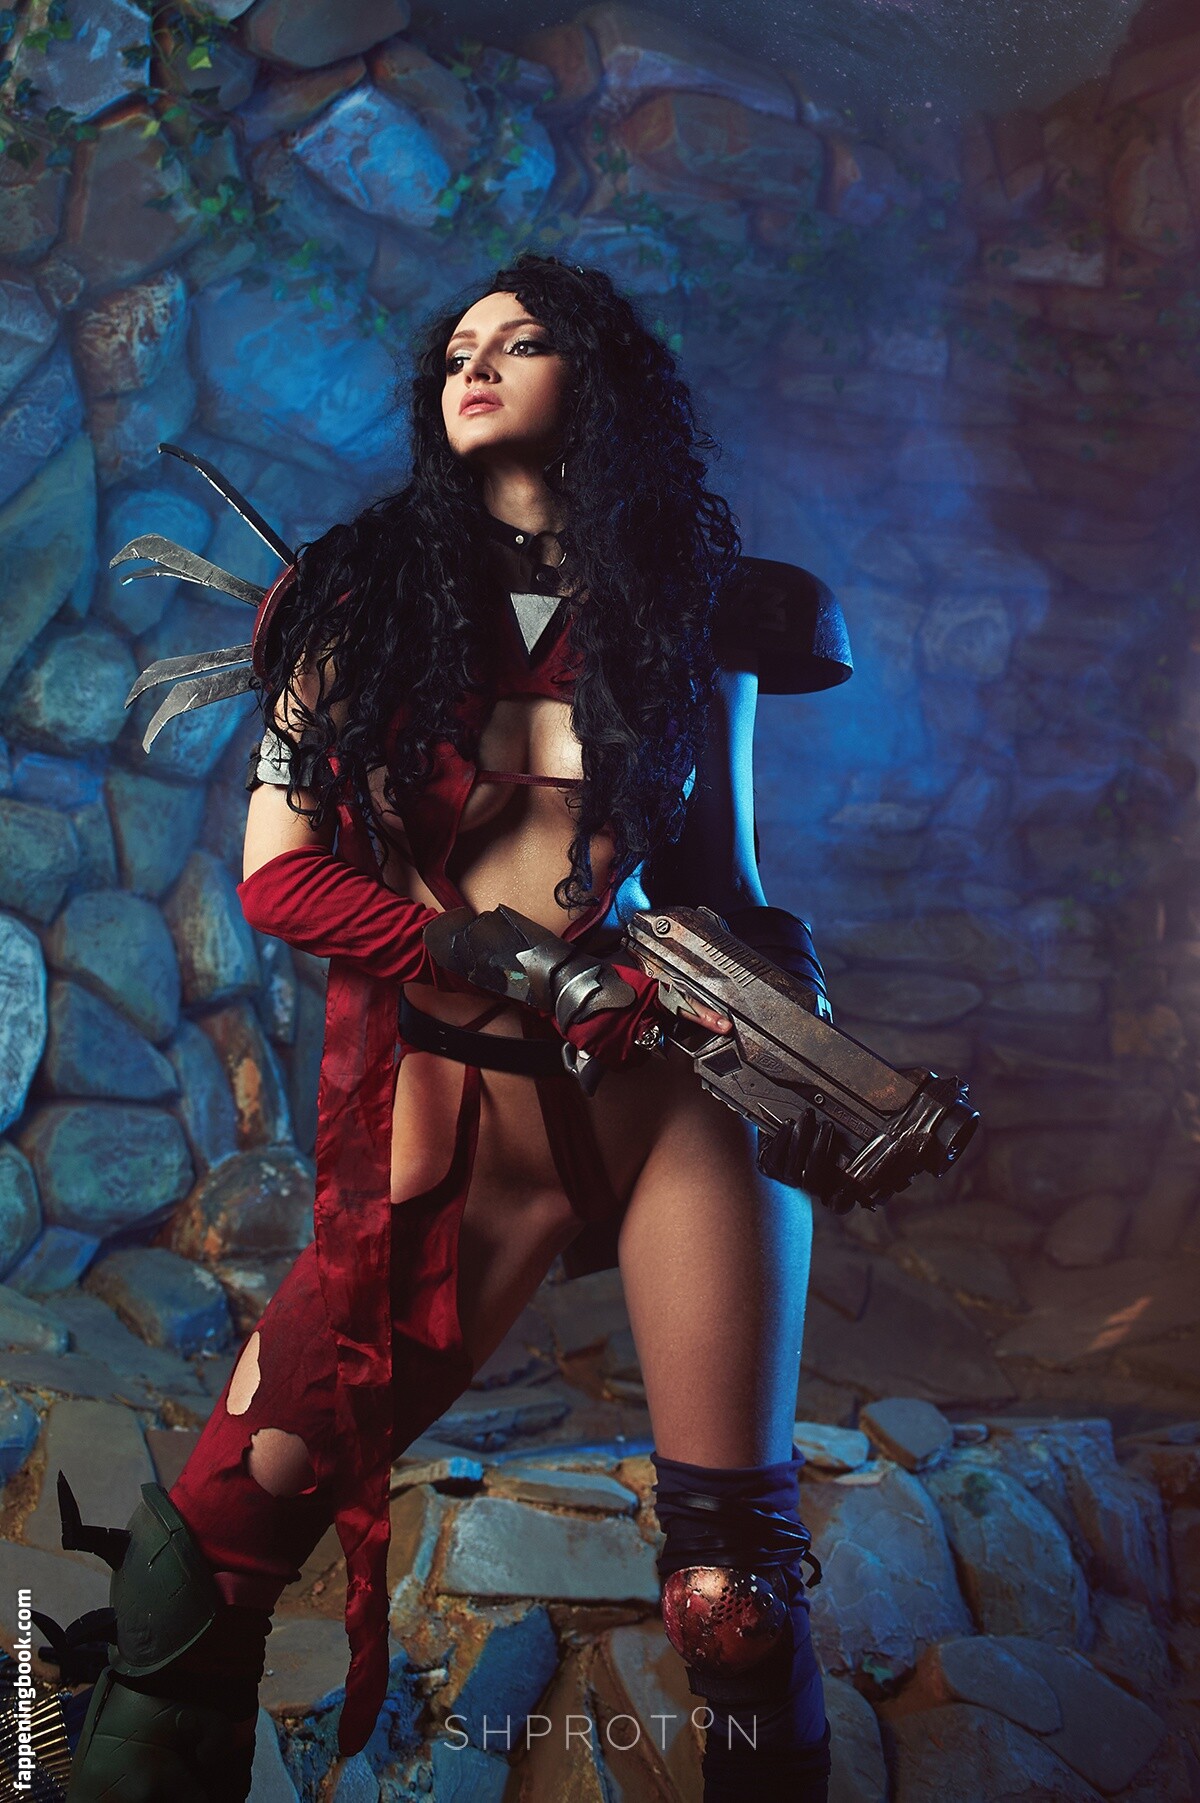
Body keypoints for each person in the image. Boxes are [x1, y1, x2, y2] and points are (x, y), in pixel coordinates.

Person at [59, 253, 837, 1802]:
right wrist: (507, 962)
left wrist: (803, 1031)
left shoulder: (704, 597)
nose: (475, 364)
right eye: (459, 347)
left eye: (522, 341)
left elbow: (727, 879)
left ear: (596, 380)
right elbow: (280, 880)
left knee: (733, 1591)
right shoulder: (357, 596)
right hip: (465, 1111)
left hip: (677, 1104)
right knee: (218, 1538)